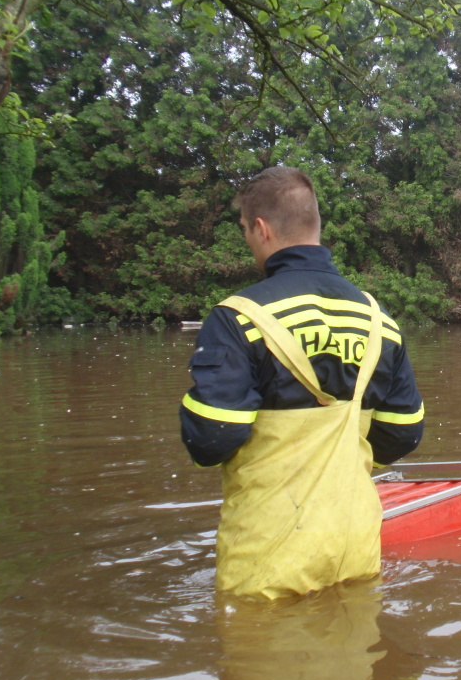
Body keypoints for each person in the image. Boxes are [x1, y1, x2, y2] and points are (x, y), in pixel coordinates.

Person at [180, 166, 424, 599]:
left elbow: (211, 438)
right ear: (314, 225)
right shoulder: (378, 321)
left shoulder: (237, 317)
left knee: (257, 657)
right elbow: (403, 434)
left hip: (270, 562)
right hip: (355, 550)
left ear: (261, 228)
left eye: (243, 229)